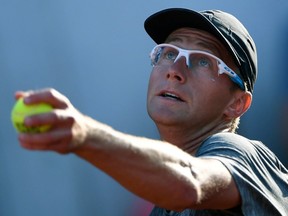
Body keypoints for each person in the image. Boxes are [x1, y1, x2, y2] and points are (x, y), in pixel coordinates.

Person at [14, 8, 288, 216]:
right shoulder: (163, 202)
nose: (174, 70)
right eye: (169, 53)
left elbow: (189, 182)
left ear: (237, 104)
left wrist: (85, 134)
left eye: (203, 61)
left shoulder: (242, 152)